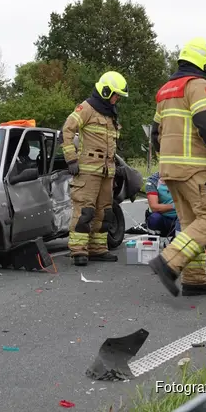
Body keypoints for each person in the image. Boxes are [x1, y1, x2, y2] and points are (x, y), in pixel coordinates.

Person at [148, 37, 206, 297]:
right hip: (198, 168)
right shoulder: (198, 86)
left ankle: (195, 280)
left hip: (171, 170)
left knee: (190, 225)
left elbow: (155, 132)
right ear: (203, 61)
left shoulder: (166, 90)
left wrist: (166, 159)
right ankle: (169, 262)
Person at [61, 71, 128, 266]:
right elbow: (67, 130)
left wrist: (116, 167)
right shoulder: (87, 108)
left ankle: (98, 249)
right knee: (85, 211)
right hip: (88, 170)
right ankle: (78, 251)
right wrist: (71, 159)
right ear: (106, 91)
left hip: (107, 171)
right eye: (115, 94)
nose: (117, 99)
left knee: (105, 212)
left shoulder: (110, 114)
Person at [144, 172, 180, 238]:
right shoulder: (153, 180)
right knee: (154, 219)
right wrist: (175, 206)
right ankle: (154, 242)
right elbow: (154, 207)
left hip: (181, 218)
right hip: (163, 219)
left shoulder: (184, 177)